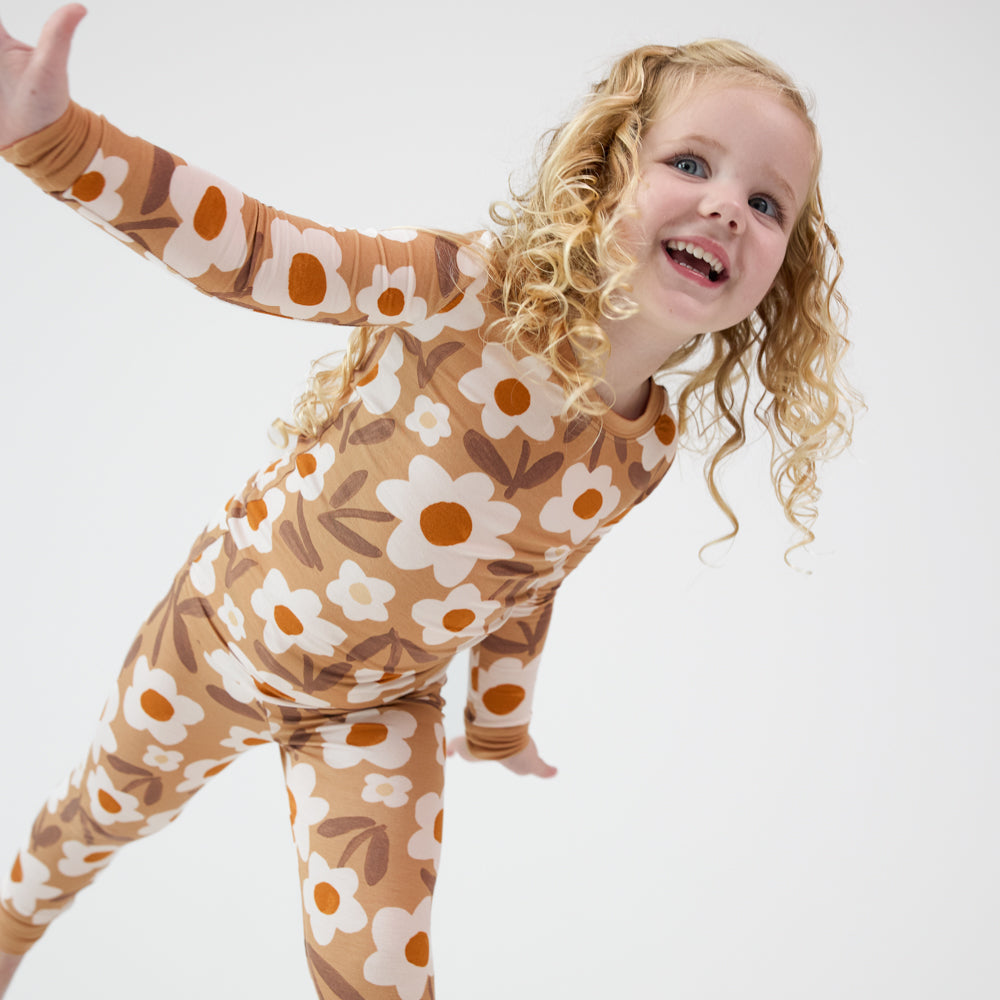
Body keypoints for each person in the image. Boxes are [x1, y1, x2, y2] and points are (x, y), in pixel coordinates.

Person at [0, 5, 858, 998]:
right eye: (692, 165)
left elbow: (528, 583)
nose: (724, 209)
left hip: (377, 710)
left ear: (778, 270)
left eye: (766, 204)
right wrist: (55, 139)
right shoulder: (458, 288)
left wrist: (498, 723)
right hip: (219, 635)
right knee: (104, 810)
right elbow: (255, 248)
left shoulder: (645, 441)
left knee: (381, 978)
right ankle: (12, 925)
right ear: (605, 172)